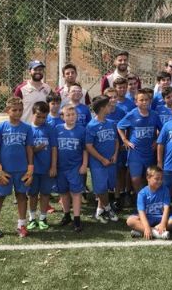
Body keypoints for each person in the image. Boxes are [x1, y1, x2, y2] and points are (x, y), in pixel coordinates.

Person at [0, 97, 35, 238]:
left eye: (20, 110)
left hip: (21, 170)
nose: (18, 113)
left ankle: (21, 225)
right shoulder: (0, 127)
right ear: (7, 111)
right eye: (14, 110)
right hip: (5, 171)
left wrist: (30, 168)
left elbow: (29, 149)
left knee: (22, 196)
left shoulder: (27, 128)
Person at [117, 91, 160, 194]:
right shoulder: (132, 114)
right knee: (135, 179)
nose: (144, 102)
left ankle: (148, 198)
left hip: (149, 151)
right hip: (135, 152)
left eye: (146, 100)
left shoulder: (154, 115)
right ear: (136, 102)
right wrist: (125, 140)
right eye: (141, 100)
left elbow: (162, 129)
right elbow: (119, 126)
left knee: (148, 177)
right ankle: (139, 199)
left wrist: (157, 141)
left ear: (150, 101)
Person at [85, 95, 119, 224]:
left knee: (107, 186)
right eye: (108, 106)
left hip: (111, 161)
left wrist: (115, 155)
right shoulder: (91, 126)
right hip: (98, 163)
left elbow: (116, 141)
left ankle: (99, 211)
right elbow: (89, 146)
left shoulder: (111, 123)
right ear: (101, 108)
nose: (111, 107)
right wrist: (102, 159)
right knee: (100, 188)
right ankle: (108, 208)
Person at [54, 104, 88, 232]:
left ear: (77, 115)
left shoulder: (81, 130)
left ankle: (77, 219)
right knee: (63, 192)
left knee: (76, 192)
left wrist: (84, 165)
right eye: (68, 115)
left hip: (75, 167)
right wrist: (54, 165)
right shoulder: (57, 129)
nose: (71, 117)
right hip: (61, 167)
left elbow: (85, 149)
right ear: (62, 117)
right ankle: (66, 214)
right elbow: (54, 149)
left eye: (73, 114)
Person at [127, 166, 172, 239]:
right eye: (157, 179)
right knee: (130, 220)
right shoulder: (142, 194)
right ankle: (155, 233)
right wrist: (146, 227)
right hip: (148, 218)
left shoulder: (165, 190)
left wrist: (163, 223)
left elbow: (166, 208)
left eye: (161, 179)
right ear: (148, 178)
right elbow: (141, 212)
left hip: (161, 218)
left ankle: (142, 231)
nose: (160, 181)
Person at [27, 101, 56, 231]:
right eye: (38, 116)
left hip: (46, 168)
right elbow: (27, 150)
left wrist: (53, 166)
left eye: (44, 117)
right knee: (32, 194)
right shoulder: (27, 129)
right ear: (32, 114)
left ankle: (43, 218)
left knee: (45, 194)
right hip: (32, 169)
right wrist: (37, 149)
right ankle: (32, 218)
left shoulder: (49, 128)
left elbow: (54, 149)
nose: (41, 119)